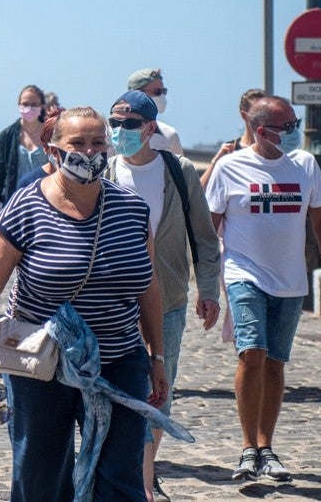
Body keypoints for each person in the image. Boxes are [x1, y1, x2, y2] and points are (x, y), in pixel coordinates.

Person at [0, 105, 168, 502]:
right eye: (78, 143)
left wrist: (157, 356)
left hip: (119, 360)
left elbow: (149, 287)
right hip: (43, 363)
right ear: (55, 150)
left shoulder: (132, 210)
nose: (89, 153)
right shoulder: (25, 207)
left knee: (120, 477)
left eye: (97, 143)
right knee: (41, 474)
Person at [204, 95, 321, 484]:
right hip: (243, 274)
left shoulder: (305, 165)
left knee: (275, 363)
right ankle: (248, 448)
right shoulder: (230, 168)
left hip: (291, 282)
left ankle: (266, 448)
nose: (295, 131)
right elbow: (208, 230)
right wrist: (206, 289)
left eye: (296, 123)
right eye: (288, 126)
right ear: (261, 130)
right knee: (252, 352)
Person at [104, 91, 222, 502]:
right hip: (112, 302)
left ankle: (145, 473)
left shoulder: (178, 170)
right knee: (111, 389)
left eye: (130, 124)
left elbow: (205, 238)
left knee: (159, 391)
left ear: (151, 129)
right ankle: (134, 476)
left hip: (168, 298)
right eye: (115, 123)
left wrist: (209, 289)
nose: (120, 131)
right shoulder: (103, 171)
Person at [0, 85, 47, 220]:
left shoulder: (51, 134)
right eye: (25, 104)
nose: (29, 108)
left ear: (42, 106)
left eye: (34, 104)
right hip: (14, 203)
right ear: (18, 105)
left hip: (46, 204)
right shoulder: (7, 135)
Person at [200, 88, 267, 188]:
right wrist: (216, 161)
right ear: (244, 115)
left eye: (266, 112)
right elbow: (199, 190)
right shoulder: (231, 149)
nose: (263, 117)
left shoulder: (274, 149)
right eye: (257, 112)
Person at [126, 69, 183, 155]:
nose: (162, 96)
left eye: (164, 91)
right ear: (137, 94)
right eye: (157, 92)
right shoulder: (115, 132)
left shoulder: (170, 134)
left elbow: (179, 167)